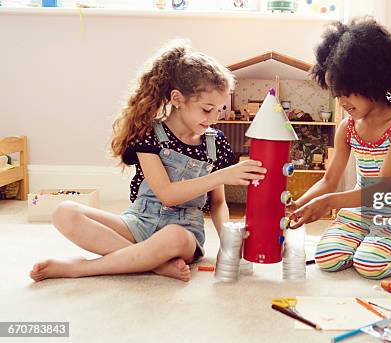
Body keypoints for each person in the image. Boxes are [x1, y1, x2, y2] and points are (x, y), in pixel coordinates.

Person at [30, 40, 266, 282]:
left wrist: (228, 247)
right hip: (139, 222)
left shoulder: (215, 143)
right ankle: (154, 263)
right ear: (177, 98)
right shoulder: (150, 134)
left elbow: (217, 204)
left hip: (183, 233)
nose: (214, 118)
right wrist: (224, 174)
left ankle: (79, 269)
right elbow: (167, 194)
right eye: (207, 109)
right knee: (65, 212)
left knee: (173, 237)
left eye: (220, 109)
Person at [288, 18, 391, 279]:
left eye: (349, 92)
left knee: (370, 265)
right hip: (362, 211)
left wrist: (329, 202)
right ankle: (368, 242)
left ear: (372, 82)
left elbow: (381, 190)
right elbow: (329, 180)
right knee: (326, 258)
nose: (342, 101)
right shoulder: (347, 127)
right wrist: (299, 204)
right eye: (337, 93)